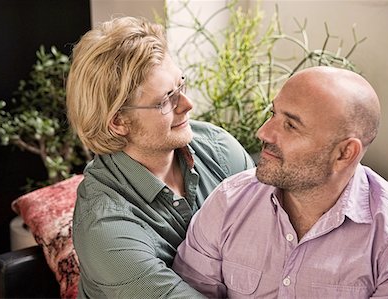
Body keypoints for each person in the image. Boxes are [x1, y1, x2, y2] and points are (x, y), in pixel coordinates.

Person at [173, 66, 388, 298]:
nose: (263, 132)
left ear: (345, 153)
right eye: (273, 113)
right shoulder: (228, 202)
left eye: (291, 126)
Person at [65, 16, 254, 298]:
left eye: (182, 84)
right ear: (118, 122)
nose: (188, 105)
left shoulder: (219, 148)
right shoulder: (105, 230)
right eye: (167, 99)